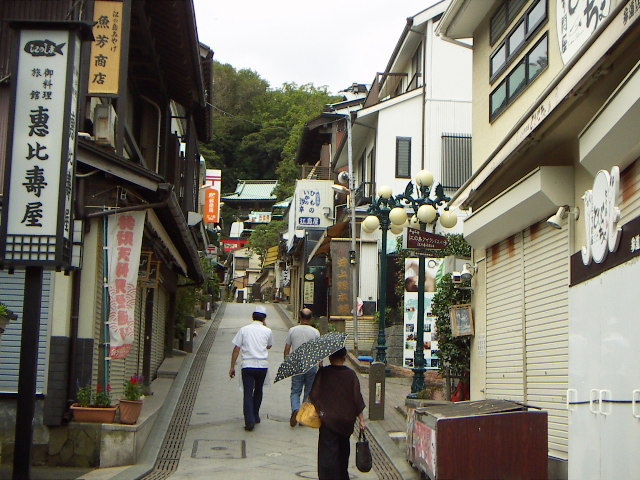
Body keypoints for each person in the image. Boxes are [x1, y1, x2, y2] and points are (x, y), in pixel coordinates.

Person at [308, 347, 366, 480]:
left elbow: (314, 395)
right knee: (343, 453)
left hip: (328, 420)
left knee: (327, 456)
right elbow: (357, 398)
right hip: (346, 421)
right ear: (344, 357)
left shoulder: (324, 373)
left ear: (330, 357)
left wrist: (319, 409)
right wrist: (361, 420)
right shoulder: (351, 375)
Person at [229, 305, 273, 431]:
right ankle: (255, 415)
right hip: (262, 366)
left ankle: (249, 421)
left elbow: (236, 349)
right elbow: (269, 346)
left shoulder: (244, 330)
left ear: (252, 316)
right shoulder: (267, 331)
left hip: (247, 365)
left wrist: (232, 366)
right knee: (258, 390)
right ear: (264, 318)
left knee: (248, 393)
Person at [284, 307, 320, 427]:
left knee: (295, 391)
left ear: (300, 317)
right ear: (310, 319)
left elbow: (287, 349)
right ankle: (303, 416)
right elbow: (319, 352)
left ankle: (295, 409)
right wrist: (321, 366)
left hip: (296, 365)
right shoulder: (315, 332)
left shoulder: (292, 330)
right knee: (309, 391)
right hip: (311, 365)